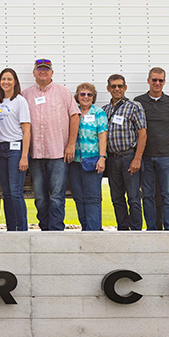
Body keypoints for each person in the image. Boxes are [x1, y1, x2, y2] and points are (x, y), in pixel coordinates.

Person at [22, 58, 80, 231]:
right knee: (39, 197)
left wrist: (71, 145)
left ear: (52, 72)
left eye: (46, 69)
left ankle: (56, 230)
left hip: (58, 153)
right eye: (39, 69)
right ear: (34, 72)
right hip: (35, 154)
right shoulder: (25, 95)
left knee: (56, 196)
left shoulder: (63, 92)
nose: (43, 72)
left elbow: (75, 116)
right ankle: (44, 228)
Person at [134, 67, 169, 231]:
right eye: (154, 80)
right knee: (147, 195)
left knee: (167, 194)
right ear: (148, 81)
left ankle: (168, 228)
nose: (157, 83)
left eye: (160, 80)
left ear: (164, 82)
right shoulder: (138, 101)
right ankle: (151, 229)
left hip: (165, 157)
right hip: (145, 157)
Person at [102, 74, 147, 231]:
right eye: (113, 86)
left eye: (120, 86)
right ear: (108, 88)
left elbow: (142, 133)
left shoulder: (134, 106)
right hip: (112, 159)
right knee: (116, 197)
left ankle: (135, 230)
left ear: (125, 88)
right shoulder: (104, 110)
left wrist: (137, 158)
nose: (117, 89)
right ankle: (122, 228)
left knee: (134, 197)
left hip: (129, 157)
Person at [0, 68, 32, 231]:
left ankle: (21, 229)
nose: (6, 82)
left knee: (16, 191)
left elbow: (27, 130)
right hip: (1, 150)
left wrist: (24, 156)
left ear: (15, 82)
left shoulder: (20, 101)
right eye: (3, 79)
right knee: (7, 193)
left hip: (15, 149)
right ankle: (11, 229)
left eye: (9, 79)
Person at [68, 83, 108, 231]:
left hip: (92, 161)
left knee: (92, 198)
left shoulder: (99, 113)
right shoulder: (73, 112)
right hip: (74, 162)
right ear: (77, 97)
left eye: (89, 95)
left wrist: (102, 157)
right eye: (82, 94)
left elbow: (102, 136)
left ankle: (93, 231)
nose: (86, 97)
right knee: (78, 197)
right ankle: (85, 229)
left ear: (93, 97)